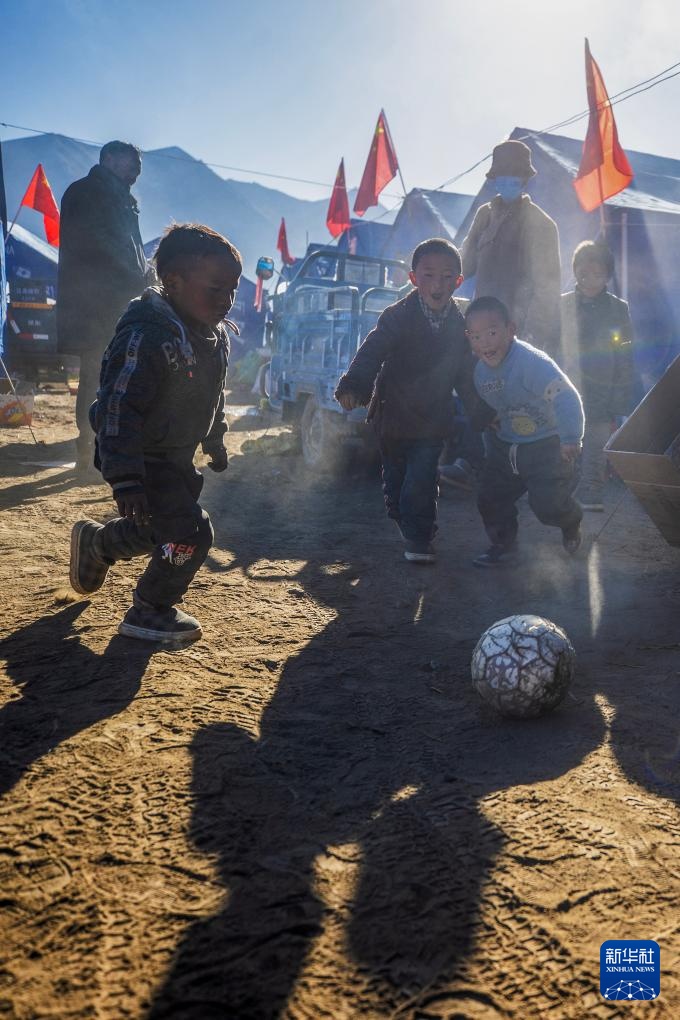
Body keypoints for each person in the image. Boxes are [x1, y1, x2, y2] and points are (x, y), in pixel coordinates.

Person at [68, 223, 242, 643]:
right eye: (215, 289)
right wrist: (126, 477)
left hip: (174, 455)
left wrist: (214, 438)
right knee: (191, 530)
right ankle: (149, 608)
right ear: (174, 282)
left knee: (159, 524)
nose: (226, 300)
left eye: (232, 290)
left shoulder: (213, 336)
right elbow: (118, 406)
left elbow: (213, 394)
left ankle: (99, 544)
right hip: (136, 455)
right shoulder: (146, 334)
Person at [334, 238, 492, 564]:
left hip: (433, 419)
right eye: (429, 275)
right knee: (395, 484)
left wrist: (482, 412)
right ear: (413, 278)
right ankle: (403, 516)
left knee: (422, 479)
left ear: (458, 281)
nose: (438, 285)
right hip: (392, 415)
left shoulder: (460, 327)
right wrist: (355, 386)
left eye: (447, 277)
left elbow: (465, 376)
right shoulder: (397, 316)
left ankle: (420, 539)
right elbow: (373, 351)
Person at [466, 296, 584, 567]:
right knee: (491, 498)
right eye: (476, 337)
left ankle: (570, 520)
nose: (485, 343)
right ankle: (504, 545)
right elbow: (491, 404)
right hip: (506, 446)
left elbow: (566, 397)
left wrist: (570, 438)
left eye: (492, 333)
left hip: (546, 445)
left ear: (510, 329)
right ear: (469, 339)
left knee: (547, 506)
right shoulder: (480, 373)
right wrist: (491, 424)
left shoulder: (532, 363)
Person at [57, 140, 150, 475]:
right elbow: (99, 243)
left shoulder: (123, 199)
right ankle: (88, 452)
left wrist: (148, 274)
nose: (137, 170)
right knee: (96, 376)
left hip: (121, 303)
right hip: (95, 305)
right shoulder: (86, 192)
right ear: (108, 158)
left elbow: (133, 249)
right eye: (131, 162)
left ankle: (106, 451)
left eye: (140, 166)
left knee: (116, 377)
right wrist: (136, 276)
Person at [460, 139, 562, 356]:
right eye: (501, 180)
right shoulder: (484, 215)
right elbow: (463, 263)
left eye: (513, 180)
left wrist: (530, 340)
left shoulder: (542, 224)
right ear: (494, 181)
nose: (506, 185)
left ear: (524, 181)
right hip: (480, 330)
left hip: (517, 333)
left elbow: (547, 290)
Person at [560, 240, 634, 511]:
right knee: (565, 443)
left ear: (607, 276)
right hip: (566, 387)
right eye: (583, 273)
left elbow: (625, 354)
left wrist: (620, 397)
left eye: (597, 274)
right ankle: (563, 490)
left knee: (595, 445)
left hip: (603, 391)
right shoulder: (562, 305)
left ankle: (591, 491)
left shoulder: (618, 308)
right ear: (575, 272)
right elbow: (549, 346)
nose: (590, 279)